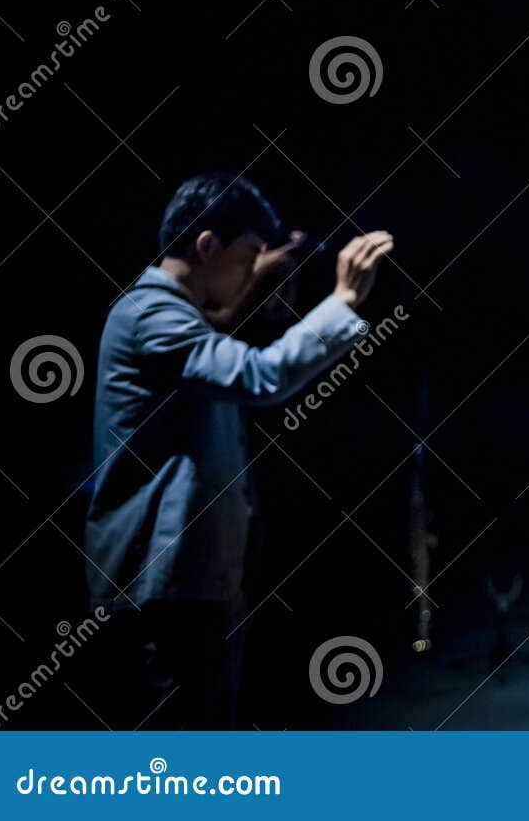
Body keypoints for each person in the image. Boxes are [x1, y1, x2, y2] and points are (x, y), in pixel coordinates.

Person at [86, 174, 393, 728]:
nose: (254, 270)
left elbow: (221, 326)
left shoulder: (173, 313)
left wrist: (260, 283)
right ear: (207, 246)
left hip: (196, 583)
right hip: (162, 590)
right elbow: (261, 375)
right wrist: (344, 300)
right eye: (248, 256)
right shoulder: (149, 312)